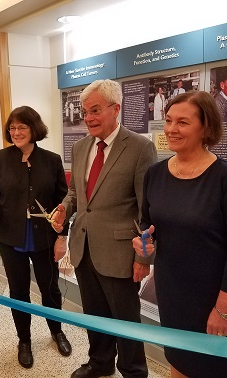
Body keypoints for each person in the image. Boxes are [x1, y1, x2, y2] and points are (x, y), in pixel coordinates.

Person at [133, 91, 227, 378]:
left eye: (183, 122)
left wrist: (224, 309)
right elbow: (148, 225)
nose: (172, 129)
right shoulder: (156, 173)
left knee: (215, 368)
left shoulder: (225, 177)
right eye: (169, 120)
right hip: (173, 292)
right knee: (179, 361)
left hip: (214, 297)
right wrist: (144, 248)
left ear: (206, 128)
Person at [53, 79, 158, 378]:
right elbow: (75, 193)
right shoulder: (80, 146)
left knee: (125, 320)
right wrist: (64, 209)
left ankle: (133, 370)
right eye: (85, 112)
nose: (88, 118)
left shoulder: (140, 148)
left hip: (120, 254)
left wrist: (143, 259)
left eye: (95, 110)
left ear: (116, 109)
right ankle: (100, 362)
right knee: (95, 314)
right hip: (84, 248)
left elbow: (145, 209)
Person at [0, 106, 71, 369]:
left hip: (44, 237)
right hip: (11, 237)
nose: (16, 132)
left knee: (50, 289)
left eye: (22, 127)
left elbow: (61, 203)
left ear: (34, 129)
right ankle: (24, 340)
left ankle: (57, 331)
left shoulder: (52, 160)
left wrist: (61, 237)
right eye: (12, 128)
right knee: (19, 291)